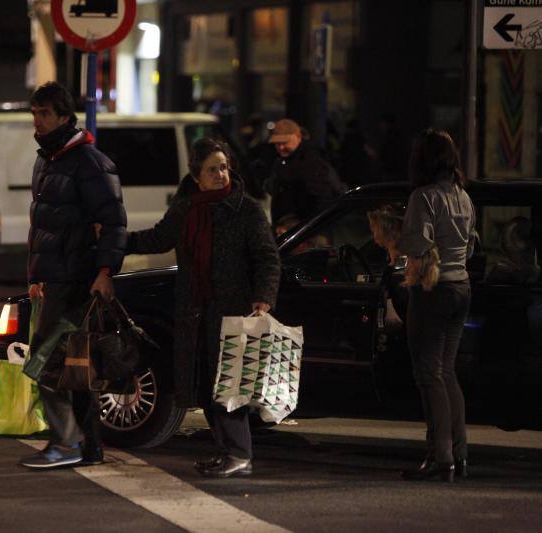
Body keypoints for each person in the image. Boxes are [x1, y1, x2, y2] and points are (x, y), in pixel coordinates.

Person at [125, 138, 280, 478]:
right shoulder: (186, 209)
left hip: (233, 310)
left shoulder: (246, 209)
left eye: (224, 167)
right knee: (205, 385)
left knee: (229, 385)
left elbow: (267, 257)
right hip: (195, 312)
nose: (221, 174)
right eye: (212, 169)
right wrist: (116, 240)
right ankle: (227, 452)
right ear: (197, 176)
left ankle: (240, 454)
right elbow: (156, 238)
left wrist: (264, 296)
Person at [19, 82, 127, 469]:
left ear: (65, 116)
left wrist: (105, 272)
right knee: (73, 366)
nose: (37, 121)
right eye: (34, 113)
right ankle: (88, 445)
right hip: (56, 280)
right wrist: (36, 274)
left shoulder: (89, 162)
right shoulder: (47, 160)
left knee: (46, 363)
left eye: (45, 114)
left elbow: (114, 221)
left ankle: (67, 443)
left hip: (77, 280)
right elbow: (44, 226)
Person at [398, 129, 476, 483]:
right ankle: (458, 453)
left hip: (433, 288)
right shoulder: (462, 196)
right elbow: (471, 245)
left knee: (428, 374)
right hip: (461, 285)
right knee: (447, 371)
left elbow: (417, 243)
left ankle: (439, 456)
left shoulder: (424, 196)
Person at [264, 118, 347, 224]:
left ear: (298, 137)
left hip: (305, 232)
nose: (281, 147)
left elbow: (322, 199)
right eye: (277, 143)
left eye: (285, 142)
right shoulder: (284, 160)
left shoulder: (311, 161)